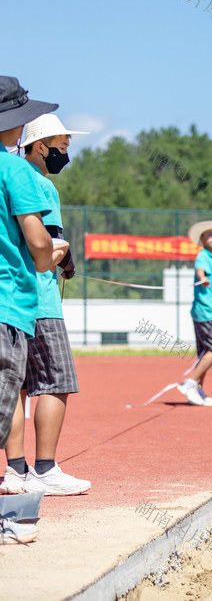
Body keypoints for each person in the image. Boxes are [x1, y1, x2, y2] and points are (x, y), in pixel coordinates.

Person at [2, 114, 90, 497]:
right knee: (57, 380)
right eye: (61, 147)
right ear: (40, 146)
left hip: (12, 300)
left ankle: (15, 470)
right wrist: (67, 261)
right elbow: (49, 243)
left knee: (17, 386)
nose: (65, 154)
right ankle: (45, 468)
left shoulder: (8, 173)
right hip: (39, 298)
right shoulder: (37, 183)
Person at [176, 221, 212, 406]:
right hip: (205, 310)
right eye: (210, 234)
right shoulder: (202, 256)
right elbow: (200, 271)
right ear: (202, 238)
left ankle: (198, 392)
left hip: (209, 309)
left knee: (204, 354)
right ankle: (190, 383)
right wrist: (202, 278)